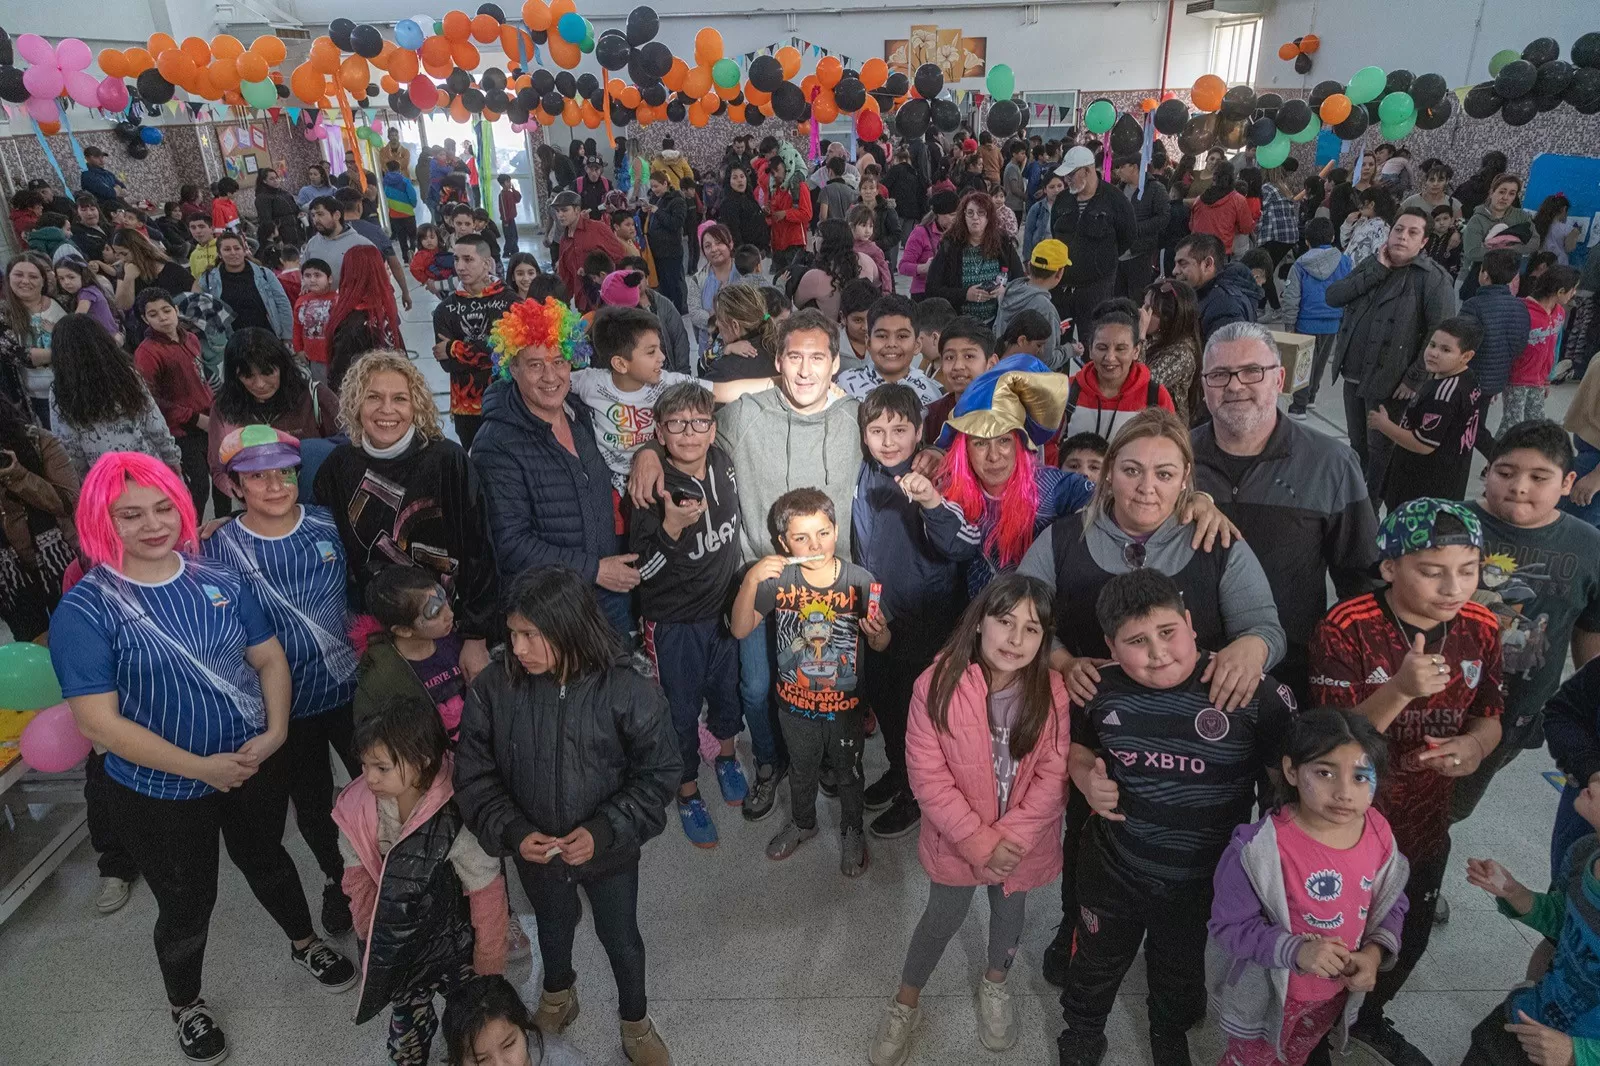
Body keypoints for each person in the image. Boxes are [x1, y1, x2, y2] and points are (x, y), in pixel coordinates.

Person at [51, 451, 356, 1064]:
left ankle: (304, 941)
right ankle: (185, 1003)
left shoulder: (216, 578)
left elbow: (268, 658)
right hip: (157, 792)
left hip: (249, 765)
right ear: (101, 521)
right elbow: (98, 724)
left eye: (164, 507)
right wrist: (200, 768)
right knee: (188, 904)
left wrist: (272, 735)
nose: (153, 524)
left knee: (269, 861)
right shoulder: (86, 609)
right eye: (130, 515)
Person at [629, 309, 863, 820]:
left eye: (817, 358)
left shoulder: (854, 418)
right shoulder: (745, 414)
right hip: (757, 576)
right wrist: (648, 448)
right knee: (755, 686)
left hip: (824, 584)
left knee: (823, 681)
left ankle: (822, 759)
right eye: (794, 357)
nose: (805, 370)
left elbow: (900, 441)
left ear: (835, 363)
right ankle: (770, 762)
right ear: (778, 360)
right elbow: (688, 425)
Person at [1056, 567, 1295, 1066]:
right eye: (1137, 641)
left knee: (1180, 963)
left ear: (1190, 623)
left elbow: (1283, 787)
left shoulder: (1253, 691)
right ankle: (1081, 1031)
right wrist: (1084, 779)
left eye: (1168, 632)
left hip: (1203, 876)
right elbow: (1078, 749)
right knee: (1095, 962)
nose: (1159, 652)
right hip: (1115, 867)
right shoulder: (1097, 688)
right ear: (1110, 645)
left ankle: (1169, 1031)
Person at [453, 565, 677, 1066]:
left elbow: (659, 773)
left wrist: (604, 831)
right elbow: (473, 775)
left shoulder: (627, 687)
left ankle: (635, 1021)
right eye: (512, 635)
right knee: (552, 925)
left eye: (531, 635)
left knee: (621, 937)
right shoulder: (494, 688)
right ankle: (558, 994)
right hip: (534, 851)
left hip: (609, 852)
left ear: (569, 627)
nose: (518, 649)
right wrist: (513, 831)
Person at [1309, 498, 1503, 1066]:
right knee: (1328, 931)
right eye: (1432, 569)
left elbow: (1491, 714)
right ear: (1391, 567)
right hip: (1342, 824)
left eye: (1468, 569)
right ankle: (1310, 1027)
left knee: (1404, 934)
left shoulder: (1482, 626)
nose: (1454, 586)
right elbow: (1329, 741)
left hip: (1423, 822)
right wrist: (1399, 688)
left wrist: (1474, 746)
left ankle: (1369, 1017)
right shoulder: (1348, 626)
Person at [869, 575, 1069, 1065]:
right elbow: (927, 777)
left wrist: (1010, 841)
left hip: (1021, 846)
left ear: (1045, 639)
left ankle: (994, 985)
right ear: (980, 622)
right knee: (941, 918)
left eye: (1032, 629)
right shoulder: (935, 685)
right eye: (1005, 622)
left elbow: (1053, 775)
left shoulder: (1053, 692)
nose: (1016, 639)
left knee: (1009, 916)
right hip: (958, 842)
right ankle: (906, 1000)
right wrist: (981, 843)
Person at [204, 426, 361, 931]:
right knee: (313, 805)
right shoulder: (216, 549)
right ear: (234, 486)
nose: (274, 485)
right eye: (257, 476)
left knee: (378, 784)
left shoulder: (329, 525)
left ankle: (389, 876)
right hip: (283, 706)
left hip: (352, 688)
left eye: (283, 473)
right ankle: (340, 880)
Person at [1207, 708, 1409, 1066]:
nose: (1344, 792)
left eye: (1361, 777)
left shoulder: (1378, 833)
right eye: (1325, 772)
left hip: (1331, 996)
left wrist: (1374, 954)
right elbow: (1229, 927)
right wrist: (1296, 951)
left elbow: (1391, 900)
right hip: (1267, 997)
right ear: (1291, 771)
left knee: (1295, 1056)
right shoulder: (1258, 850)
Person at [1191, 321, 1379, 702]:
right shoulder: (1172, 460)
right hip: (1186, 673)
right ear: (1204, 387)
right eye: (1219, 375)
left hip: (1290, 675)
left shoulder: (1331, 464)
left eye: (1251, 372)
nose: (1234, 385)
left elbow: (1362, 580)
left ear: (1280, 379)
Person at [333, 698, 508, 1066]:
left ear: (423, 760)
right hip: (403, 949)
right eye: (365, 765)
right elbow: (358, 882)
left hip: (456, 943)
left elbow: (485, 888)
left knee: (472, 1026)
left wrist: (489, 959)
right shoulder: (358, 810)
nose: (370, 778)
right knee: (406, 1046)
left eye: (381, 767)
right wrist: (369, 940)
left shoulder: (456, 808)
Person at [314, 351, 496, 685]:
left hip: (450, 627)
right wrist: (234, 522)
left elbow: (480, 552)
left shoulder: (447, 461)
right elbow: (311, 529)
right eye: (373, 397)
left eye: (400, 398)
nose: (387, 410)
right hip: (383, 635)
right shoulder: (338, 468)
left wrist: (476, 636)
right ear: (355, 404)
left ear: (417, 406)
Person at [1454, 422, 1600, 834]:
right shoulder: (1450, 520)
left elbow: (1590, 629)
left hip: (1516, 708)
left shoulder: (1589, 545)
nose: (1519, 486)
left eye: (1539, 477)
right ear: (1488, 471)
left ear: (1568, 482)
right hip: (1431, 696)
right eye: (1505, 472)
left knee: (1456, 804)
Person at [731, 487, 885, 875]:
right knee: (801, 770)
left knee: (849, 772)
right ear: (784, 543)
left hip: (846, 708)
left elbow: (882, 642)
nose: (815, 544)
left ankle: (852, 830)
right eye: (801, 537)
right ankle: (803, 823)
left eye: (823, 532)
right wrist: (750, 579)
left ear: (837, 530)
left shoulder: (861, 580)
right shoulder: (777, 581)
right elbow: (738, 629)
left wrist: (877, 633)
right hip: (794, 707)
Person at [626, 382, 751, 846]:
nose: (689, 433)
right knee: (679, 713)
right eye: (676, 425)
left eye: (699, 423)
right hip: (674, 622)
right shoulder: (650, 489)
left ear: (713, 429)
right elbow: (643, 572)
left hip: (724, 613)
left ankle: (724, 757)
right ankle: (687, 789)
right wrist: (671, 530)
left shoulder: (723, 462)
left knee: (727, 694)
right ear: (660, 432)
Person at [470, 297, 636, 641]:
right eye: (534, 365)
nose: (551, 376)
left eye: (559, 361)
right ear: (511, 368)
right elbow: (510, 543)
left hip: (605, 596)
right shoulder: (496, 443)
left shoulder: (579, 412)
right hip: (550, 610)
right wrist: (595, 570)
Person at [1326, 207, 1457, 496]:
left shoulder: (1432, 279)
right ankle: (1354, 504)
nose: (1402, 236)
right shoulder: (1374, 264)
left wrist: (1415, 377)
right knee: (1358, 446)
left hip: (1391, 383)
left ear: (1423, 242)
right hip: (1353, 375)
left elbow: (1441, 333)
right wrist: (1377, 270)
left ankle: (1369, 514)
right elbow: (1334, 296)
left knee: (1380, 454)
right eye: (1398, 229)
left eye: (1412, 232)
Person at [205, 329, 339, 498]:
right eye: (248, 376)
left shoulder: (315, 396)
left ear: (282, 366)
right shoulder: (224, 408)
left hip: (318, 501)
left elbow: (347, 446)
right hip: (259, 510)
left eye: (267, 373)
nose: (260, 384)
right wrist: (241, 494)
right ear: (234, 377)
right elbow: (218, 467)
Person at [1370, 316, 1484, 511]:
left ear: (1466, 356)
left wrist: (1384, 425)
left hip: (1422, 487)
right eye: (1432, 345)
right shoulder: (1468, 379)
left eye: (1445, 350)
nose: (1433, 353)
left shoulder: (1444, 394)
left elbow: (1423, 444)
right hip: (1446, 483)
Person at [46, 313, 179, 478]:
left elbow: (69, 446)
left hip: (105, 478)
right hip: (148, 467)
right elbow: (154, 422)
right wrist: (172, 458)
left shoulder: (60, 391)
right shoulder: (126, 375)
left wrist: (85, 482)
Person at [0, 395, 78, 641]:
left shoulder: (40, 442)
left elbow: (67, 502)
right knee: (30, 642)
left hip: (59, 560)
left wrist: (18, 476)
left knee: (75, 634)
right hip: (11, 575)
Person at [133, 288, 215, 516]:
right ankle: (193, 532)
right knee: (198, 487)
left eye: (166, 310)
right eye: (153, 314)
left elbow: (201, 378)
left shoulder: (190, 339)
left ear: (176, 310)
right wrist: (194, 418)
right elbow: (150, 400)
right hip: (182, 431)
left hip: (210, 421)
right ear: (144, 319)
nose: (162, 317)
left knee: (221, 478)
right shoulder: (147, 353)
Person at [431, 235, 515, 450]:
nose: (460, 266)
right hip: (466, 407)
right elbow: (447, 364)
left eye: (468, 259)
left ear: (486, 263)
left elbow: (509, 353)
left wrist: (453, 348)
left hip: (508, 401)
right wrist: (487, 349)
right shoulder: (444, 309)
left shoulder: (510, 302)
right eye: (456, 259)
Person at [1050, 146, 1134, 342]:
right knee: (1058, 342)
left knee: (1094, 341)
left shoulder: (1115, 200)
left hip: (1097, 287)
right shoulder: (1063, 200)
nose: (1067, 180)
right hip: (1062, 284)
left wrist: (1102, 258)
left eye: (1071, 174)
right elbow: (1055, 230)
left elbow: (1128, 235)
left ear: (1087, 171)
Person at [1060, 299, 1176, 440]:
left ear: (1136, 351)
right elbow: (1047, 447)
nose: (1110, 358)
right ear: (1089, 350)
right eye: (1102, 348)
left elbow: (1169, 447)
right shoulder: (1066, 390)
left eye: (1121, 349)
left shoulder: (1155, 396)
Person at [1282, 218, 1354, 418]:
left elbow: (1292, 296)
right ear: (1332, 237)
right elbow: (1349, 290)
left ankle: (1298, 406)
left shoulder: (1300, 264)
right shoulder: (1345, 261)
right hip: (1333, 321)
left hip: (1306, 321)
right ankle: (1311, 397)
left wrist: (1289, 323)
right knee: (1321, 362)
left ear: (1306, 241)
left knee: (1303, 364)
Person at [925, 193, 1026, 329]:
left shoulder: (1002, 241)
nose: (975, 218)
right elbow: (932, 288)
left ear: (989, 217)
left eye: (981, 213)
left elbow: (1019, 280)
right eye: (970, 213)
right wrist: (965, 294)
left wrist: (1004, 290)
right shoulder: (951, 245)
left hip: (996, 322)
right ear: (963, 216)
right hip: (959, 324)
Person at [1461, 250, 1532, 439]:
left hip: (1470, 377)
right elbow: (1520, 345)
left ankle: (1495, 457)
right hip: (1498, 377)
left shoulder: (1473, 305)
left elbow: (1462, 343)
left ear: (1484, 275)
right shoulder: (1520, 306)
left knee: (1467, 428)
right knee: (1476, 424)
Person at [1502, 265, 1580, 431]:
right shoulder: (1522, 311)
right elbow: (1506, 346)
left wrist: (1547, 378)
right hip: (1517, 380)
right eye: (1573, 289)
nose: (1574, 293)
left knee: (1536, 425)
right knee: (1512, 426)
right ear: (1560, 291)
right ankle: (1499, 455)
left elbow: (1554, 347)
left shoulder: (1559, 313)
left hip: (1539, 380)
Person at [324, 244, 405, 395]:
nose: (388, 271)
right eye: (383, 267)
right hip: (370, 401)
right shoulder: (355, 323)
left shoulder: (376, 310)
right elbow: (342, 378)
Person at [838, 294, 945, 405]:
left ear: (917, 345)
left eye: (902, 336)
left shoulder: (934, 394)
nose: (891, 344)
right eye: (882, 336)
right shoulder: (845, 387)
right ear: (868, 342)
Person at [2, 254, 66, 424]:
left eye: (33, 276)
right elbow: (21, 355)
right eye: (18, 275)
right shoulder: (4, 314)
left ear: (43, 280)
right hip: (40, 399)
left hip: (73, 386)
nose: (25, 281)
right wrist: (69, 351)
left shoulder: (63, 302)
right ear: (8, 278)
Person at [197, 232, 292, 342]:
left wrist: (287, 336)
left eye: (237, 248)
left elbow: (282, 303)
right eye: (227, 249)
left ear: (244, 250)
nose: (233, 253)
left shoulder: (264, 274)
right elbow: (205, 314)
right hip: (231, 342)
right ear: (219, 254)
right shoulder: (208, 279)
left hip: (267, 337)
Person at [994, 239, 1068, 370]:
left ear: (1029, 266)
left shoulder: (1010, 290)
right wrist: (1070, 350)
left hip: (1002, 369)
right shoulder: (1046, 308)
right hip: (1028, 378)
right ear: (1060, 273)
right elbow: (1047, 361)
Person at [1173, 233, 1261, 344]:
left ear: (1207, 264)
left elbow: (1225, 357)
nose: (1175, 271)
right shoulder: (1208, 295)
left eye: (1183, 263)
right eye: (1175, 264)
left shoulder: (1224, 306)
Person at [1139, 277, 1204, 426]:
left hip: (1168, 430)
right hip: (1149, 422)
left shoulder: (1181, 353)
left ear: (1167, 319)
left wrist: (1140, 336)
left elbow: (1143, 386)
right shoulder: (1156, 338)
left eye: (1149, 309)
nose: (1142, 313)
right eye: (1144, 305)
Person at [549, 190, 625, 313]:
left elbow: (620, 257)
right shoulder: (564, 240)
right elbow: (566, 277)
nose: (560, 215)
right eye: (557, 211)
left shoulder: (598, 228)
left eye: (564, 210)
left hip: (608, 301)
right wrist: (562, 306)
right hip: (583, 304)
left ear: (577, 210)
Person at [796, 219, 880, 322]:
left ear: (828, 241)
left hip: (830, 331)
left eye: (818, 235)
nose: (814, 238)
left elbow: (796, 304)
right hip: (863, 327)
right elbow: (877, 284)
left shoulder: (815, 277)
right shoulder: (866, 261)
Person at [1113, 154, 1170, 300]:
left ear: (1134, 167)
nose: (1118, 171)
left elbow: (1163, 218)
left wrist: (1136, 228)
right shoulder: (1118, 189)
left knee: (1137, 299)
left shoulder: (1155, 189)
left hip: (1140, 253)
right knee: (1117, 299)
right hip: (1117, 254)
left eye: (1122, 167)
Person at [686, 223, 743, 355]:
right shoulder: (697, 280)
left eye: (719, 243)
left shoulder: (744, 272)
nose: (714, 249)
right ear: (703, 251)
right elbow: (695, 314)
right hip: (710, 352)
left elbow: (762, 312)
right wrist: (726, 319)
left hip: (743, 348)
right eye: (708, 246)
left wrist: (714, 316)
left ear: (730, 244)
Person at [108, 228, 193, 313]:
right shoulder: (124, 271)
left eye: (124, 254)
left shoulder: (171, 268)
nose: (122, 259)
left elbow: (194, 293)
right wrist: (129, 278)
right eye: (117, 254)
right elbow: (122, 305)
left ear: (138, 249)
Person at [640, 172, 688, 315]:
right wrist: (645, 211)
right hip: (657, 250)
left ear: (665, 184)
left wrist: (657, 211)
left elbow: (675, 223)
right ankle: (667, 310)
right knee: (663, 285)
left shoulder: (677, 200)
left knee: (674, 283)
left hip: (671, 251)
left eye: (656, 186)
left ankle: (679, 310)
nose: (654, 190)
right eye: (652, 187)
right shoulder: (656, 198)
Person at [901, 190, 959, 302]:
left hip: (949, 291)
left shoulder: (957, 233)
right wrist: (923, 268)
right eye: (951, 215)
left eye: (957, 215)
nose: (955, 219)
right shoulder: (921, 233)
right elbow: (903, 266)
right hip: (923, 293)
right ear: (938, 215)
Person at [303, 196, 375, 285]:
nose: (316, 220)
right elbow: (303, 273)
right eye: (313, 215)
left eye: (320, 214)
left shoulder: (361, 244)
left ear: (337, 215)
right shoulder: (312, 244)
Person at [763, 156, 814, 281]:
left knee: (794, 282)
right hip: (777, 243)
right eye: (772, 172)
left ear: (787, 167)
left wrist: (786, 214)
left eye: (777, 170)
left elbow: (807, 214)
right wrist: (768, 212)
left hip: (794, 243)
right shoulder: (775, 189)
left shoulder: (799, 186)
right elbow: (774, 215)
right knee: (777, 283)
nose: (775, 174)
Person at [53, 257, 119, 340]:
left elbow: (77, 318)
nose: (66, 282)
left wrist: (56, 328)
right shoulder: (90, 290)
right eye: (61, 279)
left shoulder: (86, 293)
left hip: (106, 339)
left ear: (83, 275)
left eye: (71, 277)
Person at [292, 256, 337, 376]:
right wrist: (299, 349)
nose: (312, 280)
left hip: (336, 355)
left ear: (330, 279)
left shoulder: (338, 300)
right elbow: (297, 327)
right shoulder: (301, 301)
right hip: (313, 357)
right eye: (307, 276)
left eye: (317, 275)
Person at [186, 215, 220, 279]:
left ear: (212, 229)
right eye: (193, 228)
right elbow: (196, 279)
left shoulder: (223, 248)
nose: (197, 231)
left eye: (201, 227)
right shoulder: (194, 254)